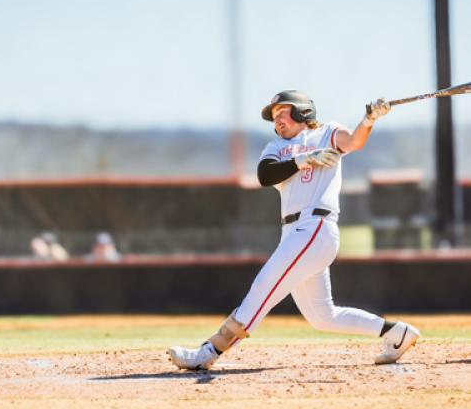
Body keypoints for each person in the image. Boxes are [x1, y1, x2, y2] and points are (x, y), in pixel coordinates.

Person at [167, 90, 420, 370]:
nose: (277, 121)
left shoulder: (327, 133)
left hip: (315, 227)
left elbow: (354, 141)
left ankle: (210, 350)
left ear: (301, 111)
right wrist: (303, 160)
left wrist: (369, 118)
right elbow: (266, 175)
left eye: (281, 112)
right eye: (273, 117)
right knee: (322, 316)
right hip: (294, 232)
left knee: (263, 288)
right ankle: (396, 333)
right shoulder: (275, 147)